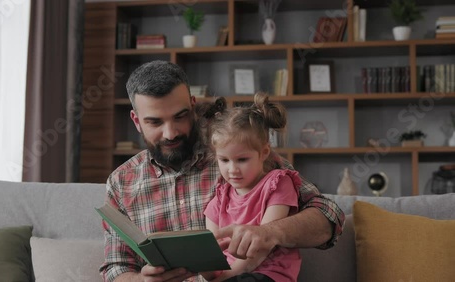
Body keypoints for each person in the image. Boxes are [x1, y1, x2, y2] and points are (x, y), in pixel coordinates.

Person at [99, 60, 345, 282]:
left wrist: (270, 232)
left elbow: (329, 216)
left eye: (180, 117)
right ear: (136, 120)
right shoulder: (122, 182)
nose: (170, 133)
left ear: (193, 107)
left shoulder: (236, 151)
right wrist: (142, 281)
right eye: (155, 122)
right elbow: (116, 269)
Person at [199, 93, 302, 282]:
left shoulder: (278, 184)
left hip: (268, 274)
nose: (232, 169)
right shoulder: (219, 199)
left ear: (263, 153)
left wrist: (227, 276)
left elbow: (262, 246)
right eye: (224, 160)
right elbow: (212, 251)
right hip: (229, 274)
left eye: (242, 159)